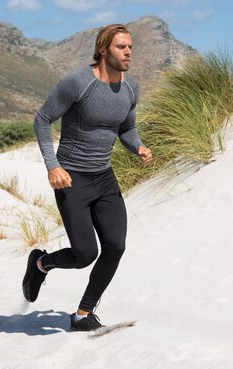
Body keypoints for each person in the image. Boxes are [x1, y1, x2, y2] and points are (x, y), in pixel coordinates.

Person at [23, 24, 153, 332]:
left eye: (130, 47)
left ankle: (83, 314)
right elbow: (42, 120)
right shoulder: (77, 83)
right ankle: (40, 264)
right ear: (103, 49)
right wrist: (52, 165)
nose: (128, 52)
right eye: (122, 47)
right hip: (72, 178)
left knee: (116, 245)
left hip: (104, 178)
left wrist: (138, 147)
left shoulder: (131, 88)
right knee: (84, 254)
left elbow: (126, 129)